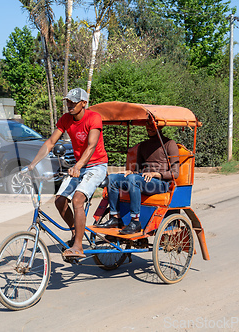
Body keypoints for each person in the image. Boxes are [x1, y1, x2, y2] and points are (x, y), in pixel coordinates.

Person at [25, 87, 108, 259]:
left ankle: (78, 246)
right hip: (79, 166)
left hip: (96, 165)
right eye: (68, 101)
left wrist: (78, 166)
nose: (69, 105)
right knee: (60, 200)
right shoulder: (65, 119)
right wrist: (32, 165)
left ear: (84, 103)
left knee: (78, 199)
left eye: (73, 102)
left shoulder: (94, 118)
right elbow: (50, 142)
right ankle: (75, 230)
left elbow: (92, 145)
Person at [96, 119, 179, 234]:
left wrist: (155, 174)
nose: (149, 127)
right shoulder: (143, 145)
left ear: (160, 126)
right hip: (142, 180)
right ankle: (115, 217)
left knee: (133, 180)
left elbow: (175, 173)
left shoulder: (170, 144)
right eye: (147, 125)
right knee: (112, 179)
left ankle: (135, 221)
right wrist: (131, 172)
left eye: (152, 125)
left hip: (160, 183)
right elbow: (138, 170)